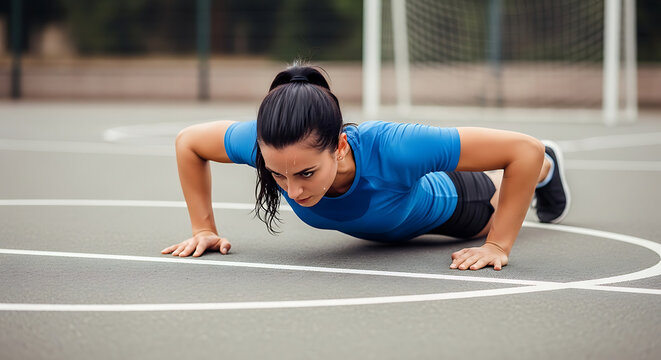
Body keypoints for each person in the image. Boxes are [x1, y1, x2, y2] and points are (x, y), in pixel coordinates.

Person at [161, 64, 570, 271]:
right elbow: (189, 143)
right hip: (387, 229)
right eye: (277, 174)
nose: (294, 190)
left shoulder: (395, 147)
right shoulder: (270, 143)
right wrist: (204, 230)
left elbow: (523, 149)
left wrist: (496, 245)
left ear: (339, 146)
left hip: (462, 201)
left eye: (306, 174)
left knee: (526, 170)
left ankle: (549, 172)